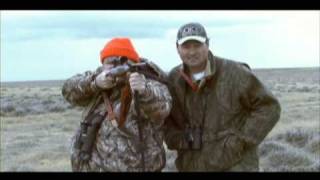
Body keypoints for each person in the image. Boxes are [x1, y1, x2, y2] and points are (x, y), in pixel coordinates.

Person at [163, 22, 281, 171]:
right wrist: (180, 140)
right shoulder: (174, 79)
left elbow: (269, 106)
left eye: (197, 45)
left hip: (236, 164)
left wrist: (240, 141)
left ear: (207, 44)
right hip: (191, 166)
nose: (192, 52)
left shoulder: (234, 72)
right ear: (177, 48)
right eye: (186, 46)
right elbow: (167, 121)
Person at [62, 37, 172, 172]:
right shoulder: (99, 80)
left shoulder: (147, 82)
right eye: (109, 62)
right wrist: (95, 83)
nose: (116, 67)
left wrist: (143, 91)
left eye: (121, 61)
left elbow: (162, 108)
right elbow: (68, 91)